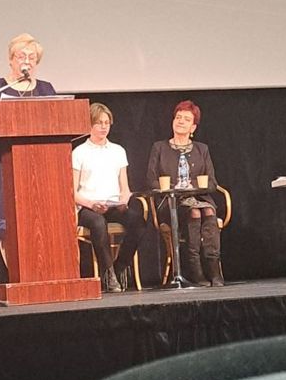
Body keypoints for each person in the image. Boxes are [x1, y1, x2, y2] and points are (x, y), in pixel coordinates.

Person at [0, 33, 56, 239]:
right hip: (5, 161)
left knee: (40, 224)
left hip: (41, 163)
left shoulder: (46, 89)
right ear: (11, 60)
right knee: (10, 229)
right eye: (21, 56)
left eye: (31, 57)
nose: (26, 61)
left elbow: (57, 122)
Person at [146, 100, 224, 287]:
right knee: (195, 212)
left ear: (193, 127)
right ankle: (195, 270)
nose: (180, 121)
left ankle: (214, 270)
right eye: (178, 117)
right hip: (172, 203)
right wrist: (177, 187)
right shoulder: (159, 147)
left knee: (208, 211)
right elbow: (151, 180)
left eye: (186, 119)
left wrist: (192, 186)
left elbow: (212, 183)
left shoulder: (202, 149)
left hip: (200, 199)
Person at [72, 103, 146, 293]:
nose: (104, 127)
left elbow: (125, 188)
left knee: (138, 221)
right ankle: (108, 275)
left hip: (113, 205)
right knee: (98, 223)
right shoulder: (79, 152)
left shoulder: (118, 151)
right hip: (88, 207)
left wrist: (123, 201)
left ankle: (119, 267)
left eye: (107, 123)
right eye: (99, 123)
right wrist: (91, 204)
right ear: (89, 125)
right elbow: (72, 192)